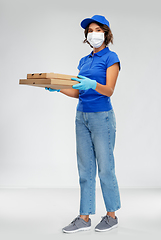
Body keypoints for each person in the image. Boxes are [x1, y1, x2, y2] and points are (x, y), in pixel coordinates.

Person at [45, 14, 121, 233]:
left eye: (97, 29)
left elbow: (108, 90)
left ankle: (111, 215)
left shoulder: (111, 58)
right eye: (90, 30)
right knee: (85, 169)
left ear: (106, 33)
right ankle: (84, 217)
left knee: (106, 168)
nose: (93, 33)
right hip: (82, 117)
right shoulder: (84, 60)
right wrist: (59, 88)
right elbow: (78, 93)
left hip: (102, 117)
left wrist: (93, 84)